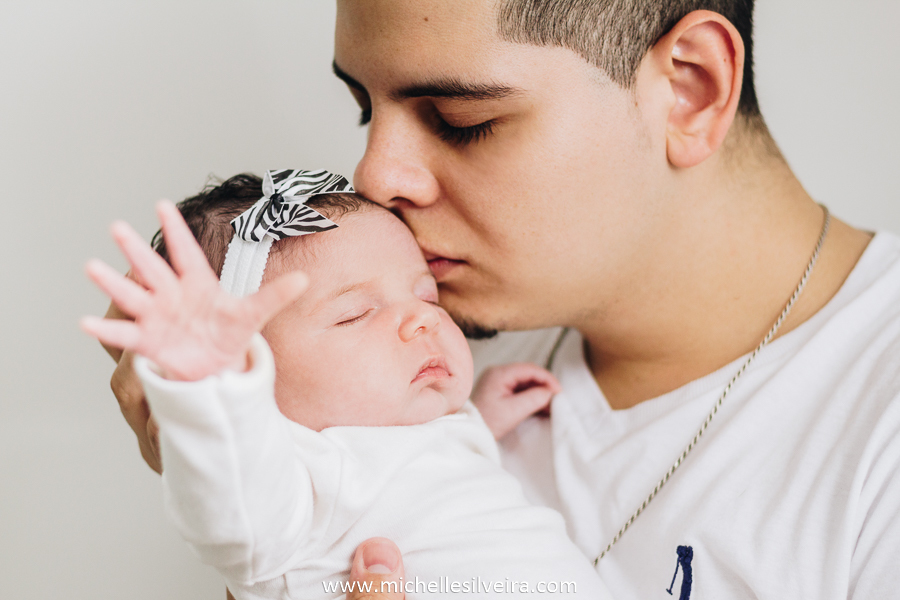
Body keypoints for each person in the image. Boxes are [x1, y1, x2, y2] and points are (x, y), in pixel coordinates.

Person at [103, 1, 900, 598]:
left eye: (461, 120)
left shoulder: (875, 427)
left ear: (690, 89)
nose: (375, 177)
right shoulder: (413, 373)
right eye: (364, 109)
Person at [86, 170, 612, 599]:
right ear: (253, 376)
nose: (422, 321)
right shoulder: (293, 486)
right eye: (356, 314)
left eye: (427, 298)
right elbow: (230, 501)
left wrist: (480, 418)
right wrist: (210, 395)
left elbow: (428, 472)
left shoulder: (409, 434)